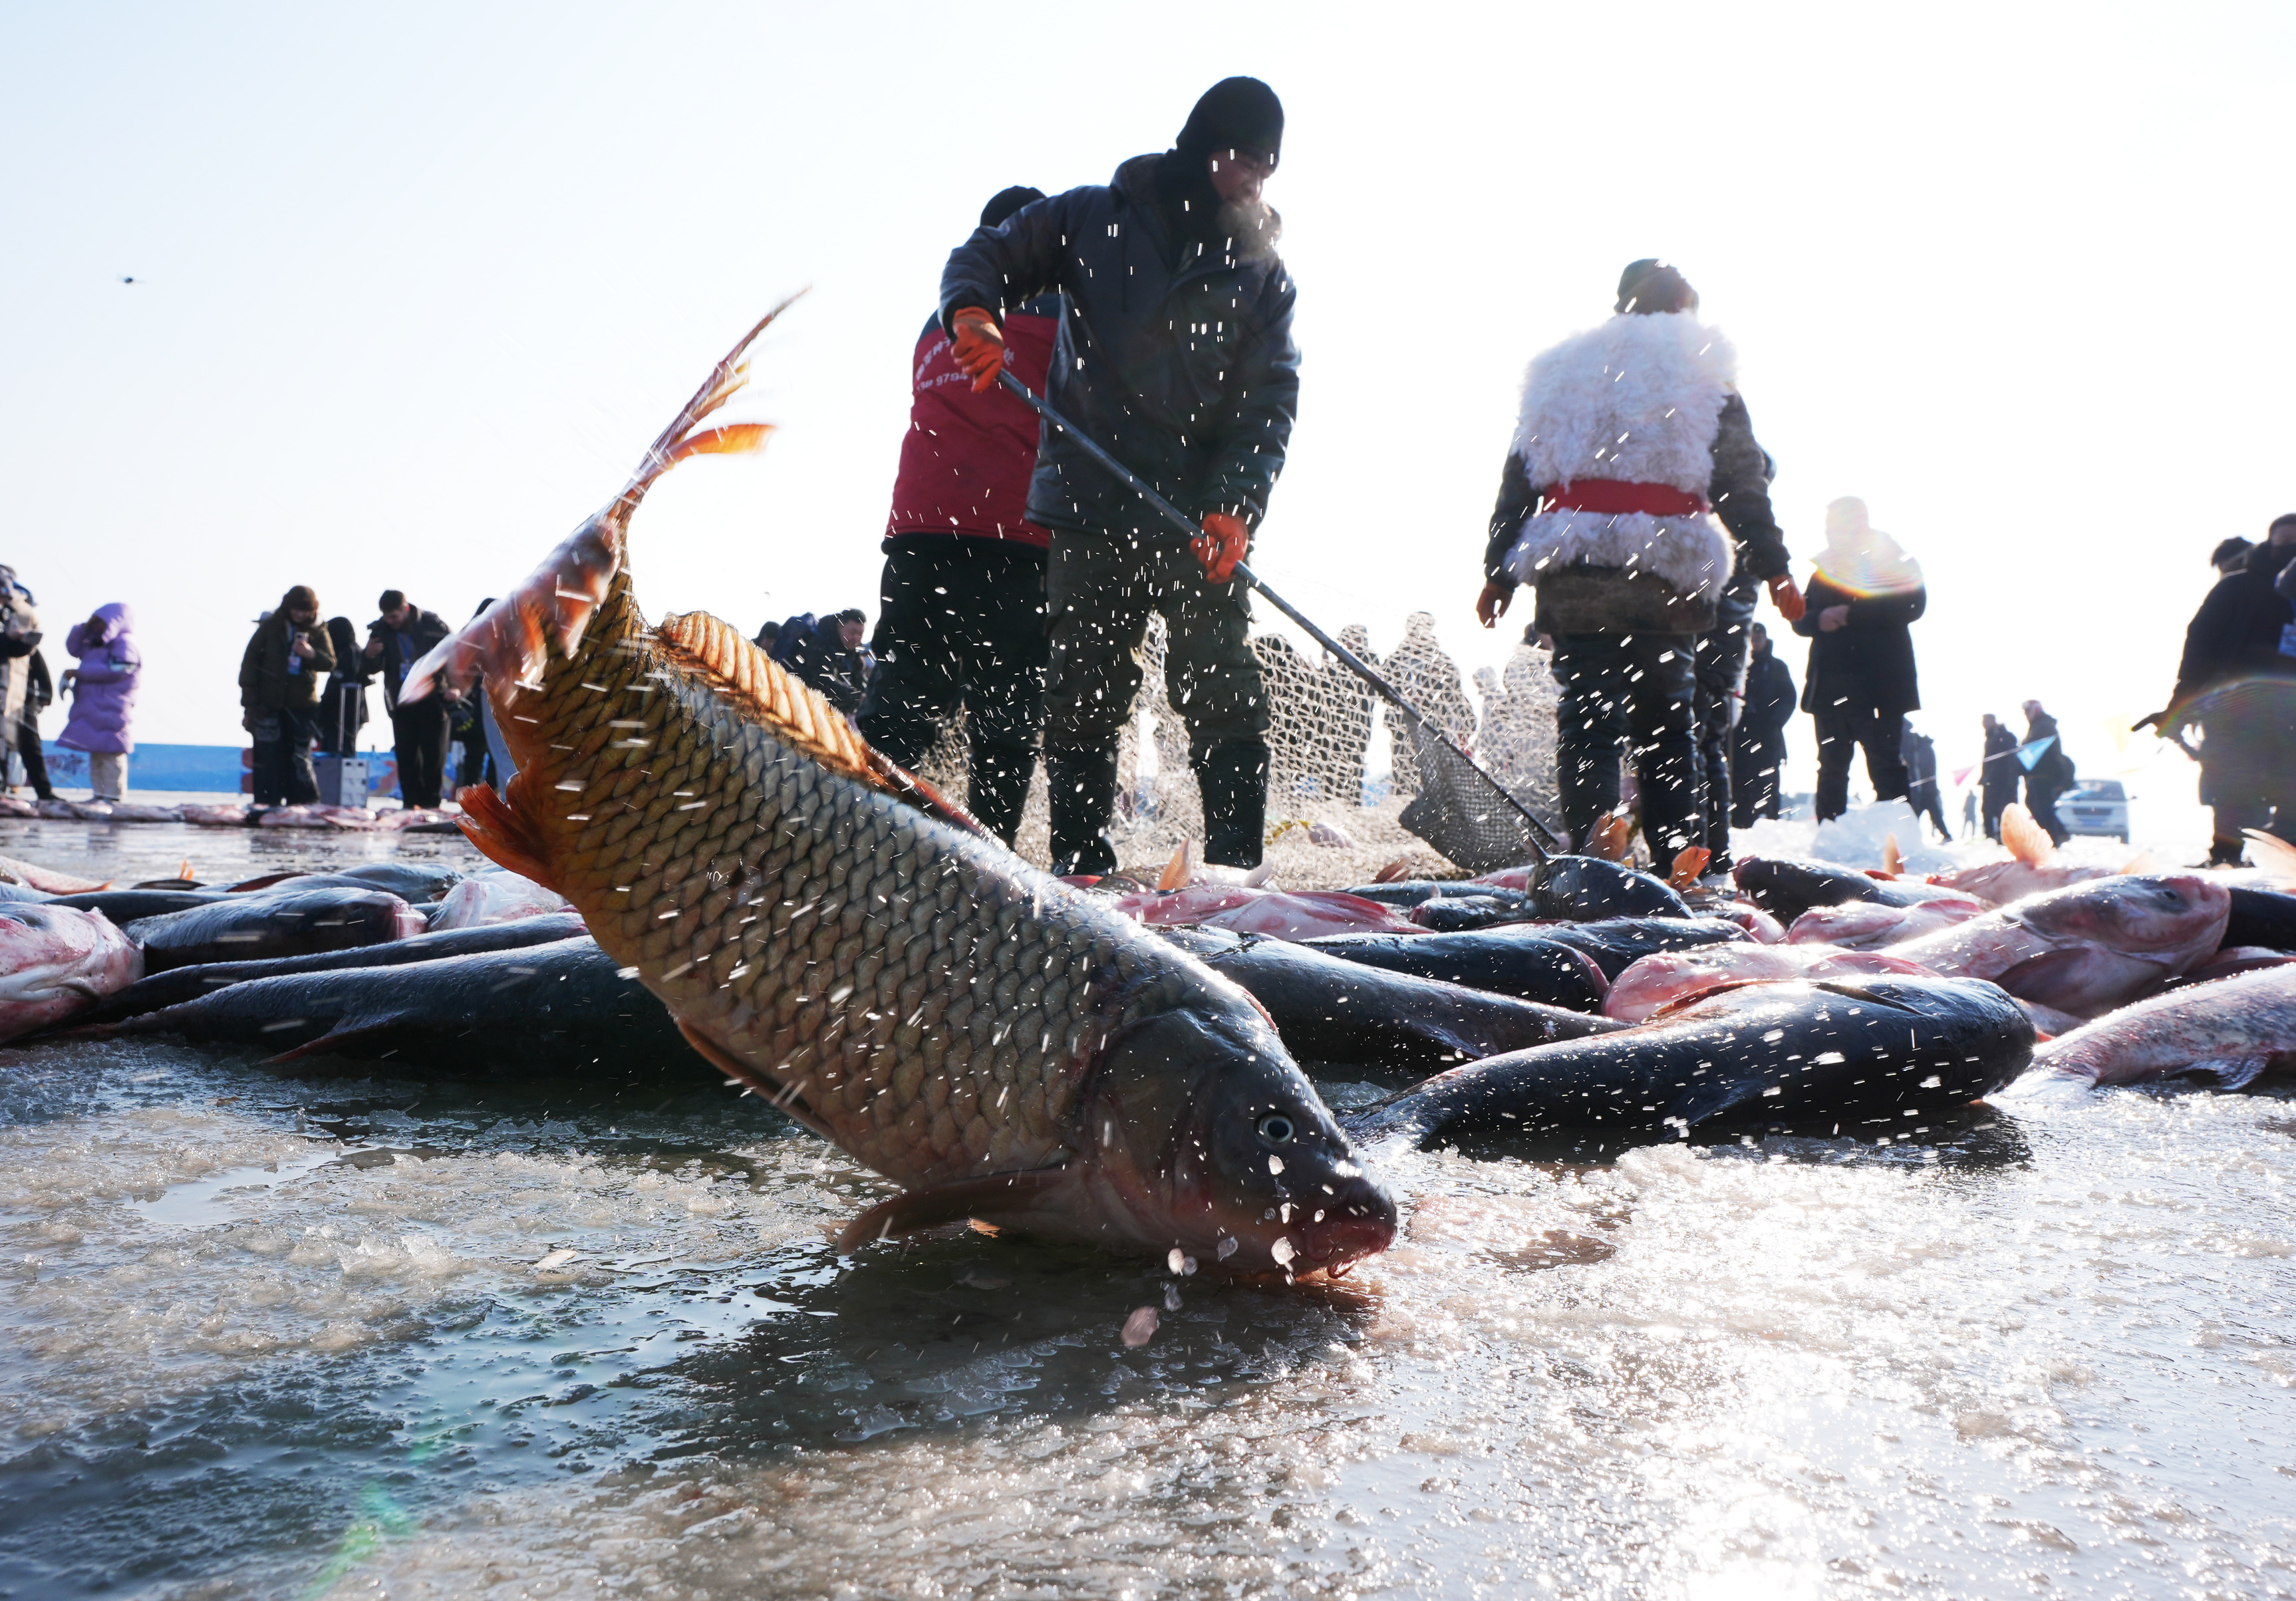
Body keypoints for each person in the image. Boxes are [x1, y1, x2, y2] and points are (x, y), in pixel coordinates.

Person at [936, 76, 1298, 872]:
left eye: (1266, 167)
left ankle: (1236, 870)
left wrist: (1235, 504)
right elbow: (987, 253)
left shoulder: (1262, 274)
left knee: (1222, 684)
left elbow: (1268, 401)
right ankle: (1080, 860)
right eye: (1245, 160)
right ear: (1207, 148)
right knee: (1083, 692)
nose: (1254, 180)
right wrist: (973, 310)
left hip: (1198, 519)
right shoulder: (1091, 217)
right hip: (1090, 501)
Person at [1479, 259, 1801, 861]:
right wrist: (1774, 564)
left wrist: (1498, 571)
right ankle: (1679, 863)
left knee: (1588, 723)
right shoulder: (1703, 365)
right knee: (1667, 727)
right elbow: (1739, 478)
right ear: (1683, 302)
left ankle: (1591, 862)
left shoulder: (1561, 369)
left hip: (1575, 569)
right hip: (1667, 571)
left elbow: (1520, 472)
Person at [853, 186, 1058, 845]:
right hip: (1014, 541)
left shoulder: (934, 322)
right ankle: (988, 853)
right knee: (1005, 716)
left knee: (900, 701)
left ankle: (855, 833)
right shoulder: (1057, 311)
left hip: (919, 535)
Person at [2158, 513, 2296, 862]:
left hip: (2290, 710)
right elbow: (2200, 644)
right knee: (2233, 785)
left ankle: (2285, 860)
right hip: (2236, 707)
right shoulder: (2237, 587)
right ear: (2270, 543)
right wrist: (2182, 700)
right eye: (2284, 544)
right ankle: (2225, 857)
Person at [1792, 498, 1926, 822]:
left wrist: (1853, 614)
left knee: (1885, 763)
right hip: (1829, 686)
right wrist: (1818, 619)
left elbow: (1914, 604)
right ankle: (1829, 836)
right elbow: (1800, 617)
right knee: (1831, 767)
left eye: (1835, 526)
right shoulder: (1824, 569)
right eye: (1827, 527)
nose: (1829, 533)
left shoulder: (1892, 558)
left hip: (1879, 684)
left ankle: (1898, 841)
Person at [239, 586, 335, 805]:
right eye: (295, 610)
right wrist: (250, 701)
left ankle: (303, 805)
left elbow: (329, 662)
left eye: (304, 611)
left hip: (302, 705)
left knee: (299, 758)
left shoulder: (319, 630)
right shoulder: (271, 627)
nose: (299, 615)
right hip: (268, 703)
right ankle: (267, 803)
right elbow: (250, 662)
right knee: (267, 757)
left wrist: (310, 654)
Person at [362, 591, 456, 811]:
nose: (390, 621)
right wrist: (370, 654)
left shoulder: (432, 624)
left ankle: (432, 803)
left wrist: (454, 688)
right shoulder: (380, 630)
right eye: (387, 617)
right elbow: (368, 669)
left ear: (405, 609)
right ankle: (410, 803)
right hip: (401, 701)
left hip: (433, 697)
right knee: (406, 755)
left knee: (434, 753)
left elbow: (455, 655)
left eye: (394, 616)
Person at [1382, 613, 1476, 795]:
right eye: (1414, 627)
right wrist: (1403, 695)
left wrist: (1429, 697)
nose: (1417, 631)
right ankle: (1403, 802)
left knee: (1430, 770)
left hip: (1433, 726)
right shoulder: (1396, 659)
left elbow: (1453, 693)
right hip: (1401, 724)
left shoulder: (1441, 661)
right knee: (1403, 767)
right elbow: (1382, 686)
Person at [57, 604, 139, 802]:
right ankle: (99, 795)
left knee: (112, 754)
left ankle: (114, 796)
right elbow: (74, 648)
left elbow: (122, 669)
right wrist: (83, 628)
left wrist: (81, 673)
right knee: (97, 754)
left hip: (112, 708)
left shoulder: (124, 644)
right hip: (91, 708)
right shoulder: (95, 645)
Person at [1730, 621, 1795, 825]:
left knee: (1767, 786)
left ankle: (1769, 824)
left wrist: (1774, 724)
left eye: (1758, 639)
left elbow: (1789, 698)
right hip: (1739, 739)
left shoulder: (1777, 667)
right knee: (1738, 787)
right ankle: (1739, 826)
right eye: (1752, 639)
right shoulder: (1737, 666)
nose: (1755, 643)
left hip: (1768, 738)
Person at [772, 609, 871, 716]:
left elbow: (860, 684)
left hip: (823, 714)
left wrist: (867, 697)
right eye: (852, 633)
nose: (856, 638)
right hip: (796, 706)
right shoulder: (817, 644)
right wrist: (857, 697)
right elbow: (823, 681)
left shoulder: (852, 655)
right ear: (839, 626)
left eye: (860, 634)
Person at [0, 568, 41, 794]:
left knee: (9, 743)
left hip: (8, 695)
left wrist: (25, 641)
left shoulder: (7, 617)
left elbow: (14, 653)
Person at [2020, 698, 2076, 845]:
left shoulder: (2044, 725)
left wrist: (2023, 747)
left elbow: (2036, 747)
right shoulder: (2037, 726)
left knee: (2041, 806)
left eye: (2028, 711)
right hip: (2038, 774)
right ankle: (2057, 835)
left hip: (2045, 774)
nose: (2026, 715)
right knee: (2034, 804)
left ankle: (2055, 837)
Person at [315, 617, 368, 757]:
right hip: (345, 713)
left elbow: (338, 684)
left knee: (337, 755)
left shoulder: (348, 653)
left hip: (343, 713)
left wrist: (323, 708)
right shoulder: (352, 652)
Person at [1900, 716, 1951, 842]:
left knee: (1920, 813)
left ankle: (1908, 840)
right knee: (1926, 813)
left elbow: (1921, 768)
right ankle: (1945, 836)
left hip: (1923, 789)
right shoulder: (1917, 745)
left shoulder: (1914, 744)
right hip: (1923, 788)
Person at [15, 650, 54, 801]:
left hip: (25, 705)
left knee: (31, 748)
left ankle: (45, 792)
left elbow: (42, 674)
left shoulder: (29, 649)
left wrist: (44, 698)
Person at [1979, 712, 2019, 839]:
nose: (1984, 724)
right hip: (1990, 779)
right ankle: (1990, 836)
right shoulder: (1990, 737)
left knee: (2000, 810)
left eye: (1986, 721)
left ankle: (2003, 837)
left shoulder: (2003, 735)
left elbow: (2010, 755)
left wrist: (2009, 778)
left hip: (2002, 780)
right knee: (1987, 809)